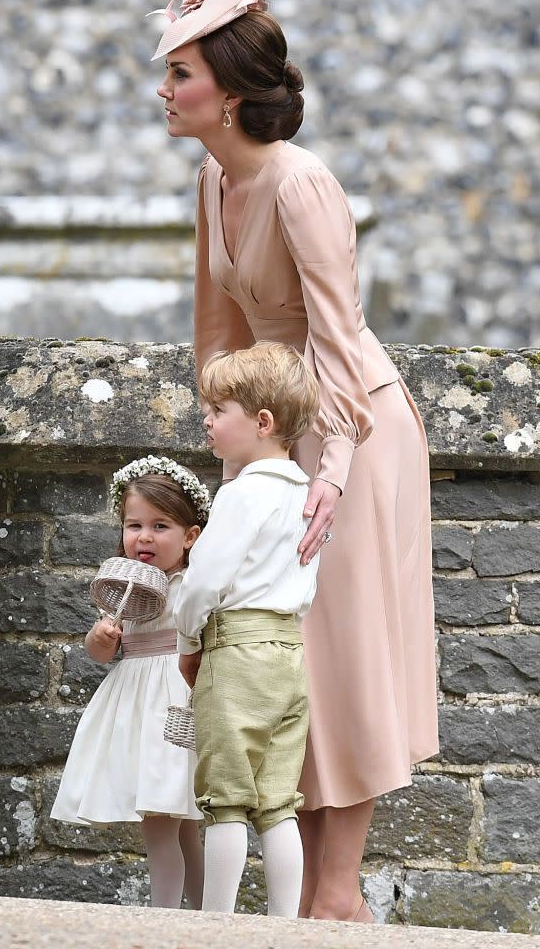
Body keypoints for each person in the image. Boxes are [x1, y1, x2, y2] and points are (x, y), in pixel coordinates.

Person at [150, 0, 439, 922]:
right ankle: (310, 884)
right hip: (281, 426)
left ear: (225, 92)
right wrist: (234, 449)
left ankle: (334, 889)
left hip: (355, 426)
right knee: (274, 639)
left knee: (339, 641)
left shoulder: (299, 182)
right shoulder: (210, 182)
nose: (163, 88)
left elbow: (338, 332)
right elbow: (216, 329)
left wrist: (330, 468)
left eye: (177, 73)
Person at [174, 341, 322, 919]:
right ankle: (286, 924)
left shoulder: (241, 493)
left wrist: (189, 643)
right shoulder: (309, 498)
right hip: (289, 650)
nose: (207, 421)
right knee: (279, 801)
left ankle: (218, 922)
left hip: (236, 650)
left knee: (227, 800)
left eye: (217, 411)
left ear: (262, 423)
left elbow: (203, 581)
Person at [51, 456, 211, 909]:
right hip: (136, 707)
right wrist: (100, 637)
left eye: (160, 526)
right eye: (133, 524)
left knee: (171, 821)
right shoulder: (124, 587)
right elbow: (102, 653)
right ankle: (198, 918)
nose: (143, 537)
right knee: (169, 821)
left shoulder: (190, 585)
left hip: (175, 707)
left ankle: (175, 919)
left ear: (190, 536)